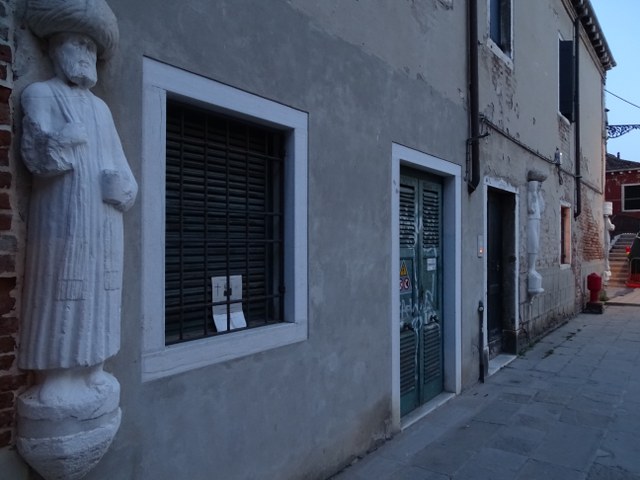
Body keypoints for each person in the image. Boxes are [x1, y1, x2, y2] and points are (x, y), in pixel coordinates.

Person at [18, 0, 137, 401]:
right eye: (77, 45)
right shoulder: (39, 94)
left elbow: (121, 164)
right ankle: (55, 377)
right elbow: (36, 155)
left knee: (101, 293)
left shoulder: (101, 109)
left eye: (91, 48)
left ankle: (95, 367)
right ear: (54, 48)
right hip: (63, 219)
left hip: (103, 224)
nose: (85, 55)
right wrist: (62, 140)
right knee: (60, 291)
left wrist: (124, 188)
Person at [527, 170, 546, 295]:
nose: (539, 187)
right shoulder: (530, 195)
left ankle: (532, 268)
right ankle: (530, 269)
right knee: (533, 244)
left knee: (537, 244)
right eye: (538, 185)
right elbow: (531, 208)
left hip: (537, 220)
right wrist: (534, 195)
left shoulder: (536, 195)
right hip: (532, 220)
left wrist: (538, 195)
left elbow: (542, 208)